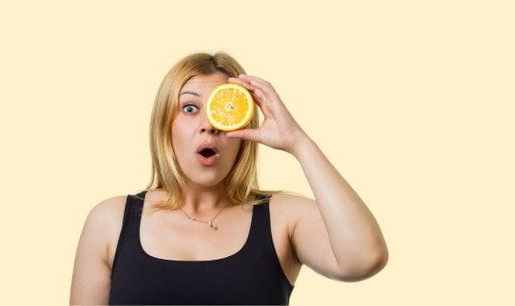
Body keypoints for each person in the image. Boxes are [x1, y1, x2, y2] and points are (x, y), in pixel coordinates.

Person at [69, 52, 389, 305]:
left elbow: (365, 258)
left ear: (244, 129)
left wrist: (297, 142)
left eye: (224, 110)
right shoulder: (110, 221)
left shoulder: (282, 218)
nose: (209, 125)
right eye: (191, 108)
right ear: (164, 124)